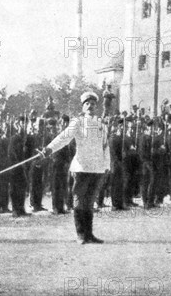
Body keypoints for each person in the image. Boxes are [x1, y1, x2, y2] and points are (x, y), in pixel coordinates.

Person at [40, 92, 110, 244]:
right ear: (83, 107)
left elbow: (105, 147)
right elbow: (64, 138)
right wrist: (49, 149)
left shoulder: (101, 125)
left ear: (96, 106)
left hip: (97, 169)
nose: (90, 106)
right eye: (87, 104)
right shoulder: (77, 122)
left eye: (92, 103)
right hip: (81, 167)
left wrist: (107, 166)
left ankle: (89, 234)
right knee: (79, 201)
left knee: (90, 202)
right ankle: (80, 235)